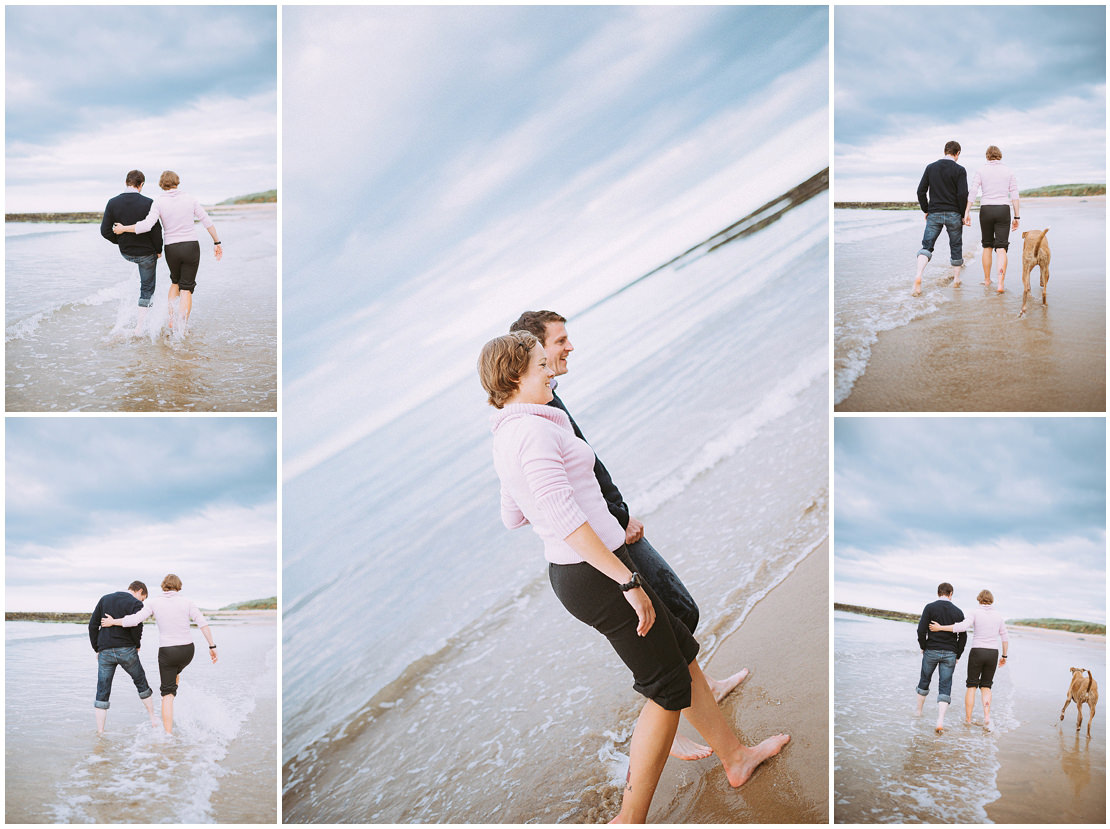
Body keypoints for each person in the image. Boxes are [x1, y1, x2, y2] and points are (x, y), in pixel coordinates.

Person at [479, 330, 788, 823]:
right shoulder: (532, 432)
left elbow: (513, 514)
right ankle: (630, 819)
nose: (550, 371)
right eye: (542, 365)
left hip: (588, 568)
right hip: (597, 574)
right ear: (515, 375)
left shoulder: (509, 432)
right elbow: (564, 519)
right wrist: (626, 580)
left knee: (681, 658)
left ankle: (736, 758)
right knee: (666, 690)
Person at [509, 310, 749, 761]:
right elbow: (565, 494)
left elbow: (586, 467)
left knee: (678, 620)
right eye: (558, 342)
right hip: (606, 542)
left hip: (610, 528)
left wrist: (619, 510)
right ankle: (671, 721)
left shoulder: (544, 400)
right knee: (674, 620)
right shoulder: (535, 414)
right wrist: (619, 518)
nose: (568, 348)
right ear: (533, 351)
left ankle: (704, 690)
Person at [101, 573, 218, 734]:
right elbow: (202, 624)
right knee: (175, 673)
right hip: (187, 651)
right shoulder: (187, 602)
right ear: (179, 586)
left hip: (168, 652)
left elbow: (134, 620)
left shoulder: (153, 602)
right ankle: (173, 692)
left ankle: (168, 736)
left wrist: (113, 621)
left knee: (167, 695)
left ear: (164, 586)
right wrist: (212, 646)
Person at [113, 170, 222, 328]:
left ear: (162, 184)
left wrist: (124, 229)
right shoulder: (190, 199)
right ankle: (181, 326)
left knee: (175, 283)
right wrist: (217, 242)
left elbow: (146, 225)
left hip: (172, 248)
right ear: (177, 182)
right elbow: (206, 221)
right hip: (190, 246)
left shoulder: (158, 202)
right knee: (186, 289)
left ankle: (172, 319)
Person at [929, 589, 1009, 731]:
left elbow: (961, 627)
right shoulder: (998, 616)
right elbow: (1005, 637)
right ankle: (986, 717)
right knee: (986, 686)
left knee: (971, 686)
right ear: (991, 600)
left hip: (977, 652)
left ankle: (968, 719)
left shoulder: (975, 612)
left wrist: (941, 627)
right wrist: (1004, 656)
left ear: (979, 600)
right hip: (993, 653)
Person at [89, 580, 158, 733]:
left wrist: (97, 648)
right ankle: (153, 718)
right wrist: (137, 644)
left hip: (105, 651)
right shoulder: (136, 603)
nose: (142, 602)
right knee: (141, 681)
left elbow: (93, 625)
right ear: (139, 591)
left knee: (102, 691)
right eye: (143, 598)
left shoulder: (105, 599)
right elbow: (136, 627)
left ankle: (100, 732)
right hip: (126, 648)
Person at [100, 170, 164, 333]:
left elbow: (105, 231)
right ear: (141, 184)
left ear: (126, 183)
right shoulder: (149, 202)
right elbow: (156, 230)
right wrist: (158, 250)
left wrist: (121, 241)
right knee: (147, 288)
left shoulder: (113, 202)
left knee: (142, 280)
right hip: (147, 253)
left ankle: (130, 318)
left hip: (126, 253)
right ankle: (140, 326)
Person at [912, 141, 971, 296]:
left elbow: (920, 191)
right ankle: (956, 280)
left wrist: (927, 209)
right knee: (956, 246)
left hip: (934, 213)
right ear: (957, 153)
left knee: (926, 247)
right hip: (954, 214)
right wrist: (962, 214)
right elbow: (962, 194)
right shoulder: (960, 170)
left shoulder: (931, 167)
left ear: (945, 151)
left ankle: (918, 276)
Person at [964, 146, 1020, 293]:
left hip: (986, 209)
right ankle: (1000, 283)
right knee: (1001, 247)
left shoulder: (981, 170)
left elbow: (973, 191)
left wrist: (967, 211)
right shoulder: (1008, 171)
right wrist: (1017, 216)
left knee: (987, 246)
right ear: (999, 156)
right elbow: (1014, 194)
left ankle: (987, 280)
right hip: (1003, 209)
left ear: (987, 156)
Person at [915, 582, 967, 733]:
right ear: (951, 594)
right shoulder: (958, 612)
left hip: (931, 650)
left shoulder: (930, 607)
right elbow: (963, 636)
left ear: (938, 593)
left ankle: (918, 712)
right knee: (945, 685)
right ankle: (940, 720)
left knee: (924, 680)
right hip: (950, 652)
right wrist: (958, 653)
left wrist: (923, 646)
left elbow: (920, 630)